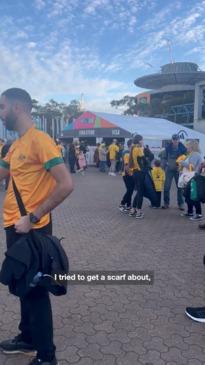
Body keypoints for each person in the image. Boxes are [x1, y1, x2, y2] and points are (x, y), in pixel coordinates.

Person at [0, 88, 73, 365]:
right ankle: (27, 337)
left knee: (36, 291)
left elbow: (66, 184)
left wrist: (31, 218)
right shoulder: (16, 144)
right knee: (22, 286)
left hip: (31, 228)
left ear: (18, 108)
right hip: (15, 227)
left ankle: (46, 357)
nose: (0, 112)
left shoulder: (40, 141)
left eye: (2, 106)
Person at [179, 140, 203, 221]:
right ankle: (190, 211)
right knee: (188, 195)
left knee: (194, 196)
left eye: (188, 145)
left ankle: (199, 214)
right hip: (190, 177)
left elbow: (191, 167)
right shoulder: (192, 154)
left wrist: (182, 162)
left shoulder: (195, 154)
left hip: (193, 177)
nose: (186, 147)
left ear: (192, 146)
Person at [162, 134, 187, 210]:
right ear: (172, 140)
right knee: (166, 187)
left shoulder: (183, 149)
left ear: (179, 140)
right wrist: (164, 165)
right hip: (169, 170)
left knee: (180, 187)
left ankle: (181, 204)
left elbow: (186, 159)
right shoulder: (167, 148)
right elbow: (163, 158)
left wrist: (182, 168)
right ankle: (166, 203)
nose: (175, 141)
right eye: (174, 139)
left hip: (179, 170)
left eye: (176, 139)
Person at [128, 135, 146, 219]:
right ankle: (138, 211)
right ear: (139, 141)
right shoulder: (139, 149)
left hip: (135, 172)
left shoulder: (132, 148)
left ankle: (133, 210)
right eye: (142, 140)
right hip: (139, 172)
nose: (143, 141)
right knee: (141, 192)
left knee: (138, 191)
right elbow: (143, 160)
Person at [119, 139, 135, 212]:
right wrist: (130, 175)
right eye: (133, 144)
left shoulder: (131, 152)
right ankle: (122, 204)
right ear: (130, 145)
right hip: (127, 174)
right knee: (129, 190)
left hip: (130, 174)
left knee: (130, 190)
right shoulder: (127, 153)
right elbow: (126, 166)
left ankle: (128, 205)